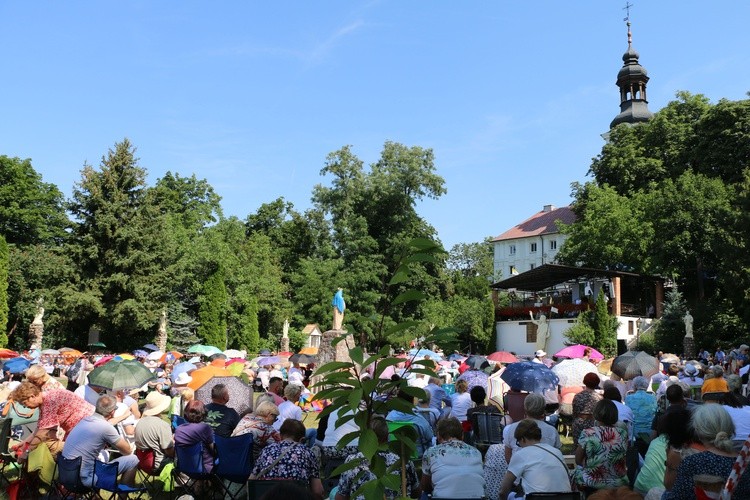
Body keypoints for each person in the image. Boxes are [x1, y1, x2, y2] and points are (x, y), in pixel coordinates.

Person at [664, 404, 750, 498]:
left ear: (698, 431)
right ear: (730, 428)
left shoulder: (692, 463)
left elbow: (678, 496)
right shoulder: (743, 463)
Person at [61, 394, 139, 488]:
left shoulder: (84, 420)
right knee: (133, 459)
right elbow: (127, 451)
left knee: (103, 453)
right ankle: (122, 496)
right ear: (112, 412)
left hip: (66, 475)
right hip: (84, 481)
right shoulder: (106, 428)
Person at [335, 416, 420, 500]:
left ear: (365, 437)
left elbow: (341, 496)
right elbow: (416, 492)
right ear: (387, 436)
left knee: (334, 492)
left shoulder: (353, 461)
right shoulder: (403, 460)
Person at [10, 382, 94, 458]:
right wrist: (23, 443)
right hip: (81, 428)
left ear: (32, 396)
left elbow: (43, 434)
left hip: (88, 427)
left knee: (53, 447)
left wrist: (26, 453)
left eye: (24, 403)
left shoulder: (49, 401)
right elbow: (38, 430)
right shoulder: (45, 400)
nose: (25, 407)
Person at [251, 419, 324, 500]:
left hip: (269, 495)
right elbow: (317, 491)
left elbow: (251, 480)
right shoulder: (307, 452)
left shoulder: (266, 450)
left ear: (280, 436)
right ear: (302, 439)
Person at [499, 419, 571, 500]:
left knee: (511, 495)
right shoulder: (557, 452)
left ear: (523, 439)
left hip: (538, 498)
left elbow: (503, 490)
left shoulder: (521, 454)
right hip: (565, 497)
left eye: (518, 442)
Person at [421, 417, 484, 499]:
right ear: (462, 435)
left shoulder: (431, 452)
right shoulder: (476, 452)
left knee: (425, 494)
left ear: (438, 436)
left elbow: (425, 486)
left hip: (442, 498)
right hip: (477, 498)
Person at [573, 399, 629, 491]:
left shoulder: (588, 433)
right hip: (619, 482)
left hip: (593, 482)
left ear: (596, 414)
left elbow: (578, 460)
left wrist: (591, 464)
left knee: (574, 474)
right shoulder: (622, 433)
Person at [502, 393, 561, 463]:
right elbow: (557, 456)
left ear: (525, 407)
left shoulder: (512, 428)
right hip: (544, 470)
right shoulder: (552, 431)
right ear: (543, 409)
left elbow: (508, 457)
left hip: (518, 470)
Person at [134, 391, 175, 472]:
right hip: (159, 465)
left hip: (142, 462)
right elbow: (169, 451)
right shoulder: (162, 425)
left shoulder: (140, 422)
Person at [385, 389, 434, 457]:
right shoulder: (420, 420)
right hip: (418, 457)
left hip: (395, 456)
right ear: (413, 401)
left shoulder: (389, 418)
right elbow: (430, 437)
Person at [174, 400, 216, 473]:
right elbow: (213, 450)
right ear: (203, 413)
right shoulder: (205, 428)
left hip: (184, 467)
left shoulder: (178, 429)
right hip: (204, 469)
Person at [625, 375, 657, 455]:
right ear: (646, 386)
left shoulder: (629, 398)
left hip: (634, 432)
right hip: (649, 431)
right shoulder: (653, 397)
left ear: (635, 386)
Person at [571, 372, 602, 447]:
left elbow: (574, 411)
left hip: (578, 423)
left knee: (578, 447)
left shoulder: (577, 396)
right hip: (592, 424)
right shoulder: (599, 398)